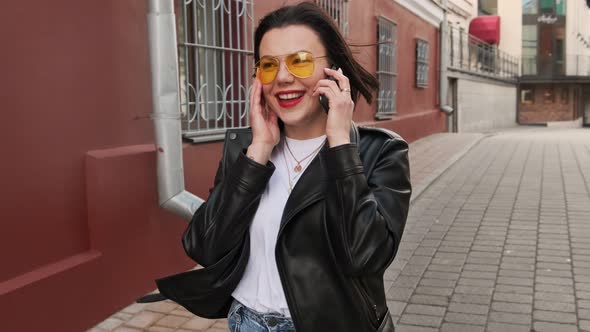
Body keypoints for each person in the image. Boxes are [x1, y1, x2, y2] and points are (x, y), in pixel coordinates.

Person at [155, 2, 411, 331]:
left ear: (333, 70)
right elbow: (205, 246)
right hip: (246, 322)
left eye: (301, 62)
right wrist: (260, 149)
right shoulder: (246, 150)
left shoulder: (379, 152)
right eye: (268, 65)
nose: (284, 78)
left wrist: (339, 144)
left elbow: (364, 257)